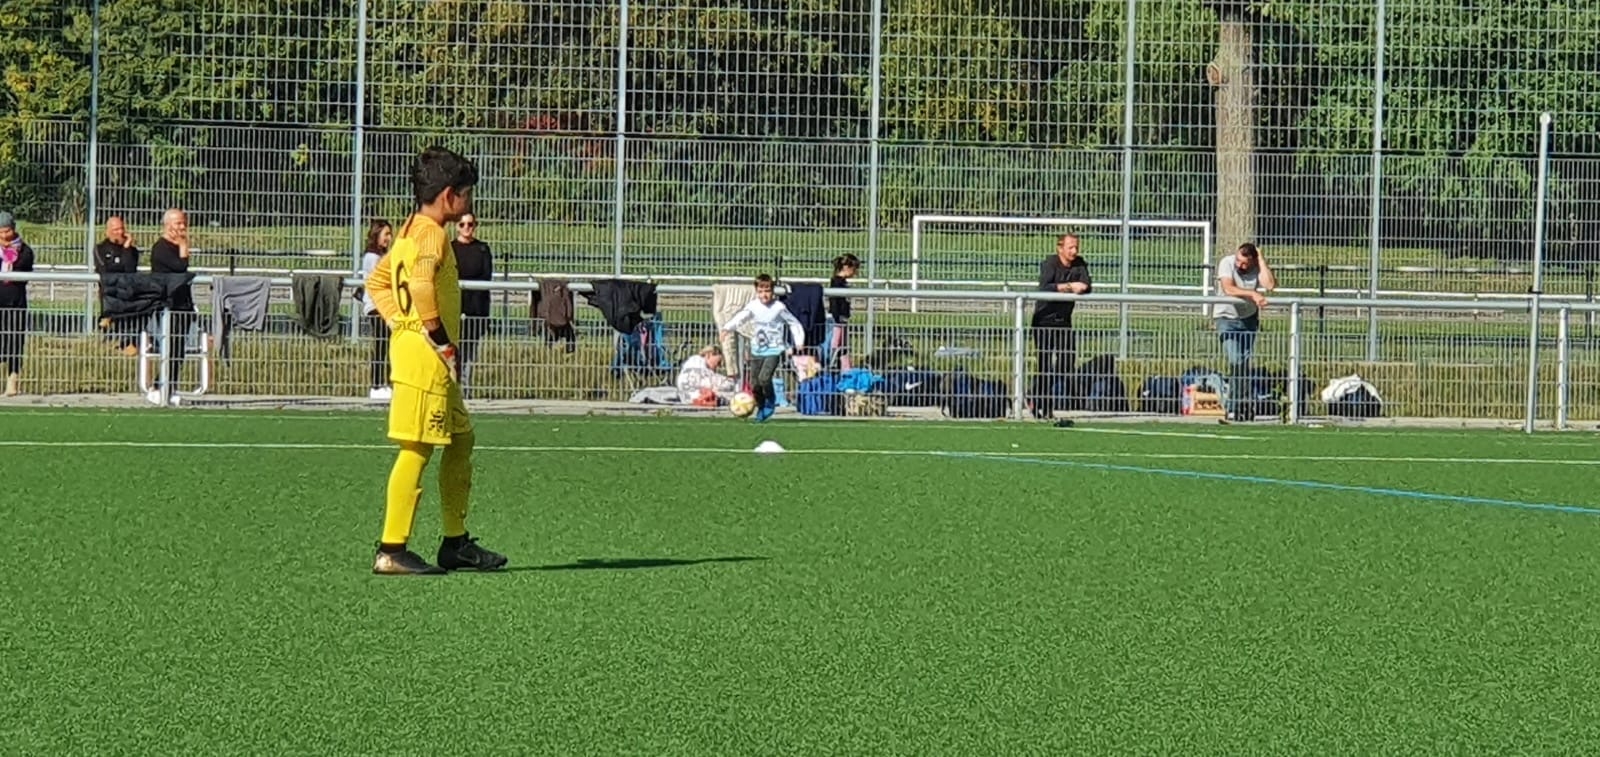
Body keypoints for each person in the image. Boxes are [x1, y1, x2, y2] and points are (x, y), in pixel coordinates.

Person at [362, 146, 507, 575]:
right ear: (449, 196)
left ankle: (455, 542)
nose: (470, 202)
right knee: (417, 449)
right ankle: (391, 549)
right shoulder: (431, 234)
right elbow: (422, 286)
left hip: (427, 358)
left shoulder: (409, 229)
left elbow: (378, 281)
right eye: (467, 194)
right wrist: (438, 338)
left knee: (461, 439)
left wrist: (399, 322)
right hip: (426, 361)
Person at [719, 274, 804, 423]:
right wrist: (727, 328)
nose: (764, 295)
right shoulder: (753, 306)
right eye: (760, 291)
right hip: (757, 349)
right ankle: (761, 406)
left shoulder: (778, 307)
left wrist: (799, 340)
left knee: (764, 378)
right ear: (756, 291)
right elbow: (741, 317)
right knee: (754, 384)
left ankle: (770, 400)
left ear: (773, 291)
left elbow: (793, 322)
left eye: (767, 291)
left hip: (774, 349)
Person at [1213, 242, 1276, 423]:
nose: (1240, 265)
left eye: (1245, 263)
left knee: (1243, 364)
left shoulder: (1256, 265)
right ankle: (1234, 406)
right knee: (1236, 361)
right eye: (1238, 260)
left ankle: (1241, 406)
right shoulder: (1227, 262)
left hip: (1248, 319)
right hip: (1226, 318)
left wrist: (1261, 260)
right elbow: (1228, 288)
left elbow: (1270, 285)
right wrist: (1253, 294)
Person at [1031, 233, 1092, 418]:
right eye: (1070, 247)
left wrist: (1082, 287)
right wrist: (1069, 287)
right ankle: (1044, 406)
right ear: (1060, 248)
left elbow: (1087, 285)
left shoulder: (1079, 263)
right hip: (1044, 321)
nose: (1074, 251)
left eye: (1076, 247)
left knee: (1066, 362)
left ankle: (1034, 394)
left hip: (1064, 321)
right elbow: (1045, 287)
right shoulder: (1050, 263)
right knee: (1044, 364)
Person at [148, 208, 194, 401]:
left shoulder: (177, 246)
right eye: (178, 223)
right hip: (168, 305)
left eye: (184, 223)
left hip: (183, 305)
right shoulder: (161, 248)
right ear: (167, 225)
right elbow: (181, 268)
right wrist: (183, 245)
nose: (182, 227)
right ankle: (159, 386)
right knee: (170, 346)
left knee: (179, 348)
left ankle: (170, 386)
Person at [451, 212, 493, 393]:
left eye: (470, 224)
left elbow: (486, 276)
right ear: (456, 226)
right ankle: (451, 388)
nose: (466, 228)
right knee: (452, 350)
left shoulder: (482, 249)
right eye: (462, 224)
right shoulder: (450, 248)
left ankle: (465, 390)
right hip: (453, 308)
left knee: (469, 351)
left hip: (476, 309)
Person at [94, 216, 141, 354]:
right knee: (108, 317)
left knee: (129, 318)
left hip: (127, 292)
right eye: (115, 230)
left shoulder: (132, 251)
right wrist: (119, 267)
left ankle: (128, 344)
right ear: (107, 231)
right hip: (109, 292)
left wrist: (126, 248)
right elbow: (104, 270)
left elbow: (130, 269)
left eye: (121, 229)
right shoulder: (100, 248)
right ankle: (106, 344)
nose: (119, 232)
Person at [0, 211, 35, 396]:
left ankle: (12, 379)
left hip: (15, 301)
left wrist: (8, 252)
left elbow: (21, 268)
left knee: (14, 339)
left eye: (7, 231)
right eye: (0, 232)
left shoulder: (25, 251)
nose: (4, 236)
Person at [359, 219, 393, 400]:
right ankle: (377, 385)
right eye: (386, 234)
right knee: (381, 344)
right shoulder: (372, 257)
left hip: (384, 307)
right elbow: (379, 281)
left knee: (386, 344)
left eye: (390, 234)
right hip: (376, 307)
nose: (389, 238)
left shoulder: (382, 256)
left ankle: (384, 383)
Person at [826, 253, 858, 370]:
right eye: (854, 269)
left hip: (842, 319)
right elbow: (834, 302)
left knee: (843, 346)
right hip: (837, 320)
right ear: (846, 267)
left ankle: (846, 369)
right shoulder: (836, 282)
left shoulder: (843, 282)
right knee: (835, 344)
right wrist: (837, 316)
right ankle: (829, 365)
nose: (855, 272)